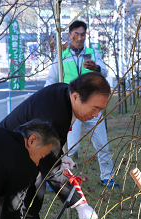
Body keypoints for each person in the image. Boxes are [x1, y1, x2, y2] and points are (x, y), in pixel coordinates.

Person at [0, 72, 109, 219]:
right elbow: (52, 171)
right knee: (28, 211)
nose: (96, 115)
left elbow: (52, 155)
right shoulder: (55, 115)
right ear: (76, 97)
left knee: (30, 209)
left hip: (28, 153)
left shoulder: (63, 95)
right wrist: (79, 203)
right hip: (9, 155)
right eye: (94, 108)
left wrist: (59, 155)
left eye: (101, 110)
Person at [45, 20, 119, 189]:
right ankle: (59, 178)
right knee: (71, 148)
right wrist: (48, 98)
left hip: (92, 106)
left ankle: (107, 178)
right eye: (75, 34)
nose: (79, 38)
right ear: (69, 35)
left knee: (102, 143)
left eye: (82, 34)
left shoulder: (93, 53)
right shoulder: (61, 55)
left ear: (86, 35)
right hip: (71, 107)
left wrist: (96, 68)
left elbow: (105, 71)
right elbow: (51, 79)